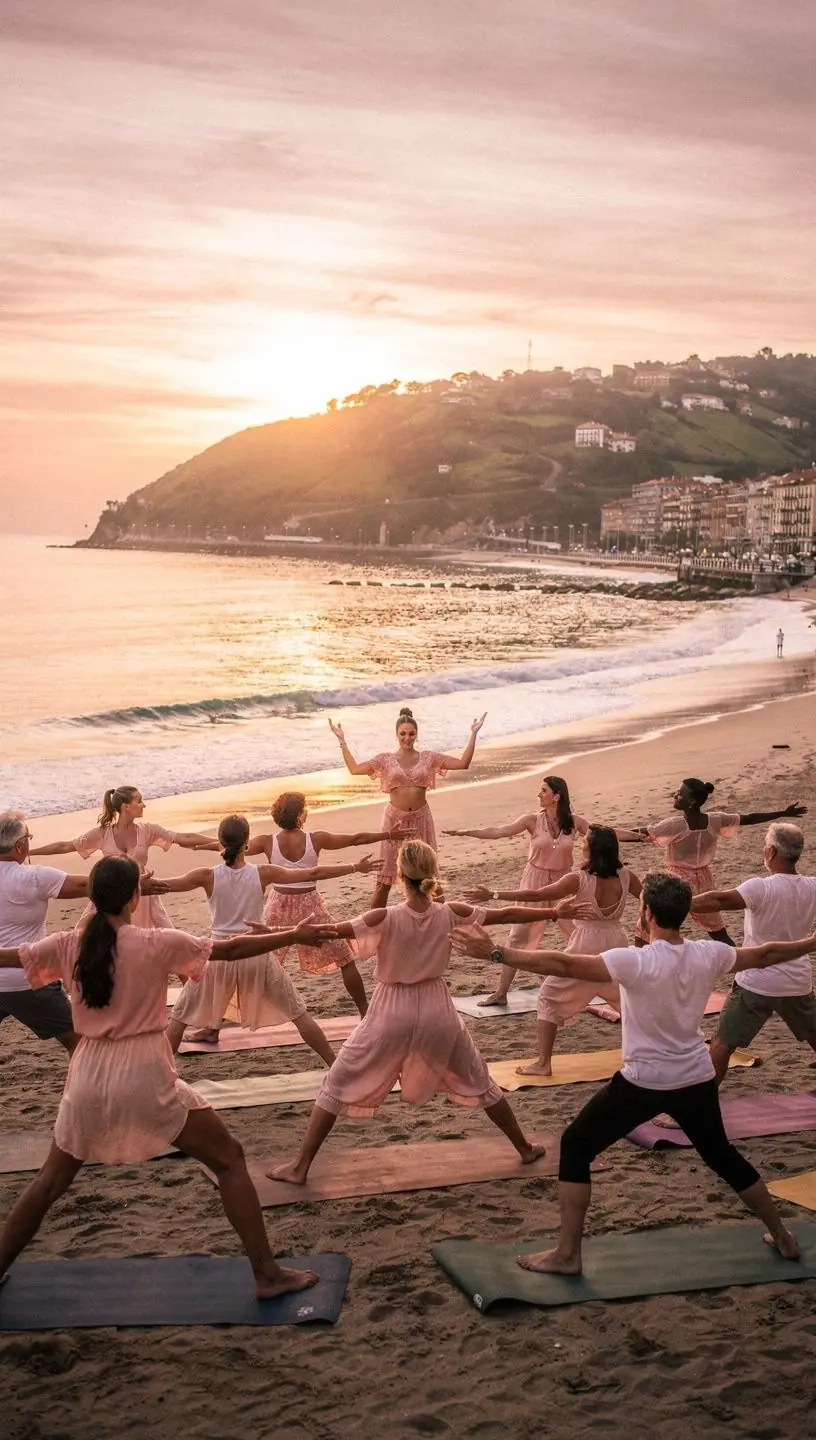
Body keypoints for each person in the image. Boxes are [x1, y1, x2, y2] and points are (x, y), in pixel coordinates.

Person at [0, 857, 339, 1298]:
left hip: (86, 1075)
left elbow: (10, 957)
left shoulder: (68, 944)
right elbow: (230, 950)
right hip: (144, 1073)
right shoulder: (156, 941)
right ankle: (267, 1275)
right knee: (229, 1160)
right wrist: (294, 935)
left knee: (49, 1182)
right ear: (135, 898)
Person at [453, 872, 816, 1275]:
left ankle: (568, 1255)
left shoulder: (634, 960)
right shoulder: (707, 954)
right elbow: (765, 955)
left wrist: (496, 954)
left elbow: (563, 962)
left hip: (643, 1083)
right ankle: (782, 1236)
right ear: (683, 915)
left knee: (576, 1146)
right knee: (722, 1156)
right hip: (695, 1078)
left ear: (646, 913)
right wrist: (812, 943)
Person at [269, 840, 566, 1186]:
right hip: (437, 1010)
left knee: (336, 1082)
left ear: (399, 877)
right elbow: (507, 915)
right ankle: (524, 1148)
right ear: (432, 874)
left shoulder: (385, 916)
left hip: (390, 1011)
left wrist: (277, 935)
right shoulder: (450, 911)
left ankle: (301, 1166)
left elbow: (327, 932)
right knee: (481, 1080)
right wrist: (553, 913)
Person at [163, 814, 379, 1054]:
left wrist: (133, 884)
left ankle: (163, 1081)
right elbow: (312, 874)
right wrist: (354, 867)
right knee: (300, 1016)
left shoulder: (206, 875)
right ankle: (334, 1065)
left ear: (221, 844)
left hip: (218, 955)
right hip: (256, 951)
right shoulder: (262, 873)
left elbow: (165, 885)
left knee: (178, 1020)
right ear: (247, 843)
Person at [465, 826, 642, 1074]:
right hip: (617, 941)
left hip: (585, 945)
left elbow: (535, 894)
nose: (580, 844)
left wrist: (493, 894)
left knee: (548, 996)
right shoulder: (626, 876)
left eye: (584, 842)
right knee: (631, 1000)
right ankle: (647, 1051)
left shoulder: (578, 879)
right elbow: (649, 900)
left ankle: (543, 1063)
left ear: (592, 850)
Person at [0, 811, 165, 1053]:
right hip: (27, 981)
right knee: (80, 1043)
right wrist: (135, 885)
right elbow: (90, 885)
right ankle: (85, 1091)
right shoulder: (34, 877)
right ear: (20, 845)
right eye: (29, 837)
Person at [245, 791, 402, 1018]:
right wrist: (387, 834)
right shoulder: (315, 839)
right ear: (299, 816)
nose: (306, 812)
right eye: (304, 809)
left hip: (278, 905)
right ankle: (365, 1012)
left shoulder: (266, 842)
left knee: (260, 958)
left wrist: (202, 843)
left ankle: (241, 1014)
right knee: (345, 960)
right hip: (310, 906)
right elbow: (354, 839)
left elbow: (236, 848)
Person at [444, 775, 589, 1005]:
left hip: (564, 882)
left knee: (580, 932)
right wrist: (466, 832)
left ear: (556, 796)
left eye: (543, 791)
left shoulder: (575, 822)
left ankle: (593, 983)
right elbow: (499, 831)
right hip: (535, 880)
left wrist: (640, 836)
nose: (539, 795)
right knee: (519, 937)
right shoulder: (532, 820)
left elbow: (602, 836)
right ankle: (501, 993)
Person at [692, 823, 816, 1081]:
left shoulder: (761, 887)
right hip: (796, 981)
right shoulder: (812, 886)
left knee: (722, 1044)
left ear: (770, 851)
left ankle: (700, 1105)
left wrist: (677, 905)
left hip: (756, 981)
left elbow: (718, 900)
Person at [328, 706, 487, 906]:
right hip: (394, 822)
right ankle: (374, 930)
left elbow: (463, 763)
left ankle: (440, 922)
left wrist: (473, 733)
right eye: (403, 734)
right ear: (396, 735)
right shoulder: (384, 760)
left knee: (429, 876)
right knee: (384, 880)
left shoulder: (429, 758)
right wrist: (341, 740)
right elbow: (355, 769)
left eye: (411, 734)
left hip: (421, 819)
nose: (407, 738)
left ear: (416, 734)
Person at [625, 779, 806, 944]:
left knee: (646, 928)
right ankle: (742, 963)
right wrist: (783, 813)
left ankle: (640, 966)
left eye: (680, 794)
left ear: (692, 801)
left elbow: (641, 834)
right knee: (718, 933)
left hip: (675, 881)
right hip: (704, 881)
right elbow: (749, 818)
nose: (675, 795)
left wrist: (609, 834)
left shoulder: (676, 824)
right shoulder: (715, 820)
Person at [30, 785, 218, 928]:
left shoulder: (147, 830)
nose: (144, 804)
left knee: (167, 941)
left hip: (143, 896)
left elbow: (183, 838)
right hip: (112, 896)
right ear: (125, 806)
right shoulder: (103, 833)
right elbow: (66, 846)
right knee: (85, 938)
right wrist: (29, 851)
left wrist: (219, 842)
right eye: (139, 800)